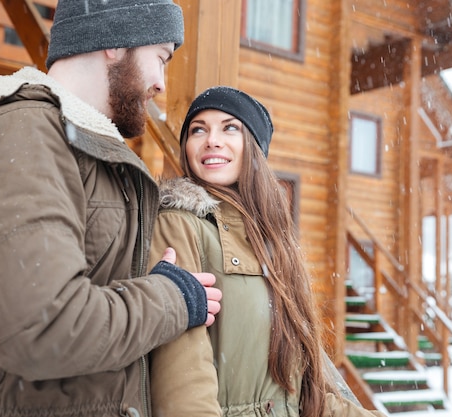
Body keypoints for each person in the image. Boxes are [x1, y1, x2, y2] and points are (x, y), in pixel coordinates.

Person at [0, 1, 222, 416]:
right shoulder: (25, 134)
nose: (161, 83)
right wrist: (172, 298)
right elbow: (45, 331)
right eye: (160, 58)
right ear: (115, 42)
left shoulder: (82, 147)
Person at [147, 86, 386, 417]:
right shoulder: (180, 225)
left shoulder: (272, 239)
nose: (211, 139)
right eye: (198, 129)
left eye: (229, 127)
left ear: (255, 148)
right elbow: (181, 371)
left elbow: (305, 395)